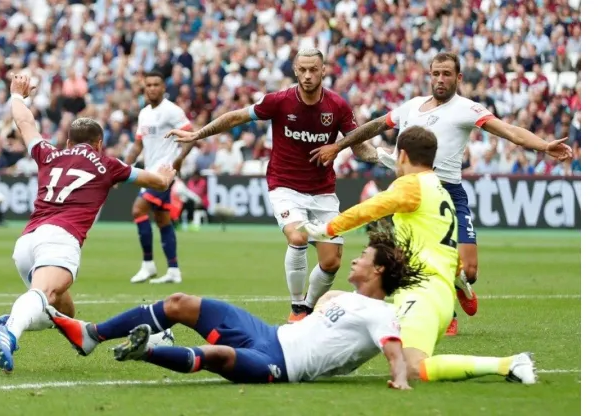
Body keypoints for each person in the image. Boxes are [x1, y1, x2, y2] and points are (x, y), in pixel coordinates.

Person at [309, 52, 573, 335]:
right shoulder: (411, 107)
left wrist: (544, 146)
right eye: (436, 73)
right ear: (429, 75)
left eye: (447, 74)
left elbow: (510, 132)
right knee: (411, 258)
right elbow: (374, 126)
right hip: (413, 191)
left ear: (458, 78)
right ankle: (448, 312)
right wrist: (339, 146)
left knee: (469, 270)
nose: (440, 79)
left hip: (448, 193)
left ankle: (460, 282)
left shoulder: (467, 109)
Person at [46, 227, 427, 388]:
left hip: (283, 368)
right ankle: (92, 334)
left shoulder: (381, 313)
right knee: (180, 303)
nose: (355, 260)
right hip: (268, 334)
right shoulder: (342, 298)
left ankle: (145, 351)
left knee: (218, 355)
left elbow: (393, 351)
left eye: (362, 256)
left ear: (377, 269)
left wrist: (401, 377)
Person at [301, 126, 537, 385]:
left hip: (421, 295)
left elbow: (372, 208)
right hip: (435, 296)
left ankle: (510, 364)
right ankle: (302, 353)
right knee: (331, 300)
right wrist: (463, 289)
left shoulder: (411, 186)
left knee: (412, 369)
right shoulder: (440, 190)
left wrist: (328, 228)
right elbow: (450, 255)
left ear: (402, 155)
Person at [167, 48, 377, 323]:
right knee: (298, 236)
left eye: (313, 69)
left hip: (323, 191)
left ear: (324, 70)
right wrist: (198, 133)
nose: (308, 75)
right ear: (294, 70)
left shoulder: (337, 106)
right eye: (302, 69)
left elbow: (360, 146)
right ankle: (297, 308)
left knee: (331, 262)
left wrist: (385, 158)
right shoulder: (279, 101)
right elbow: (235, 117)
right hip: (285, 186)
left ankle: (308, 308)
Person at [0, 73, 177, 374]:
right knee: (44, 296)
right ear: (99, 143)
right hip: (59, 239)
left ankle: (52, 326)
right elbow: (157, 182)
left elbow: (25, 123)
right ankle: (11, 328)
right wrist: (167, 173)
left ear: (67, 140)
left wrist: (17, 95)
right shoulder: (109, 164)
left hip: (27, 242)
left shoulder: (50, 153)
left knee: (64, 310)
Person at [125, 71, 195, 284]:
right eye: (149, 85)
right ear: (144, 88)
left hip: (163, 172)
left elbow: (191, 136)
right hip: (150, 171)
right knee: (163, 220)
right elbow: (138, 144)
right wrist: (123, 166)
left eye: (156, 84)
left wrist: (179, 158)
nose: (152, 88)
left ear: (164, 88)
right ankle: (173, 270)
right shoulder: (144, 113)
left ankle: (148, 265)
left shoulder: (172, 111)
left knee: (138, 209)